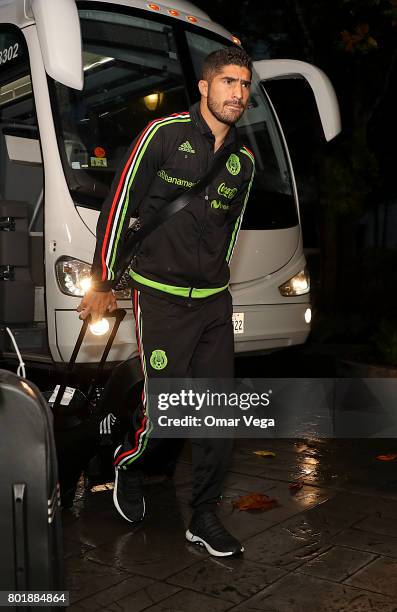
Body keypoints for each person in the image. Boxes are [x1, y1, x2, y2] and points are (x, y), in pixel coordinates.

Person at [77, 46, 255, 557]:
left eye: (244, 85)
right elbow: (119, 207)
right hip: (162, 300)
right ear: (204, 86)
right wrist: (103, 283)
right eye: (227, 82)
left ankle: (204, 515)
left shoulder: (242, 162)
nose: (237, 94)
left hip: (213, 305)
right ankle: (127, 467)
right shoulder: (163, 135)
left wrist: (217, 279)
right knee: (168, 412)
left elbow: (231, 230)